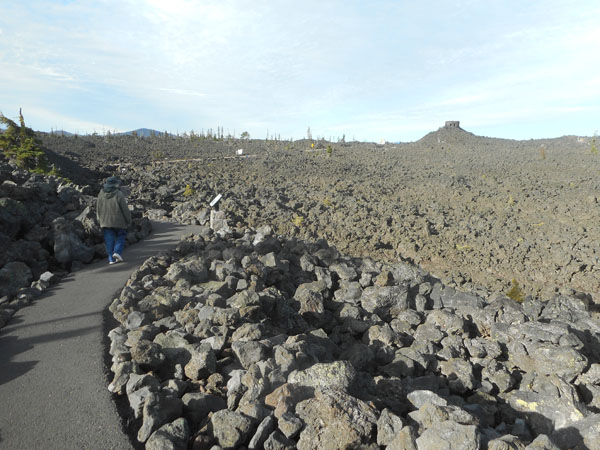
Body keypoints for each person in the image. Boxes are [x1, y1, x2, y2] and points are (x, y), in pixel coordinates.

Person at [96, 176, 132, 264]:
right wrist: (129, 220)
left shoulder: (101, 194)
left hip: (105, 221)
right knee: (121, 236)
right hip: (118, 221)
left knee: (109, 240)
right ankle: (117, 252)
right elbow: (125, 209)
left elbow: (98, 208)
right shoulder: (118, 194)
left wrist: (99, 220)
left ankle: (111, 259)